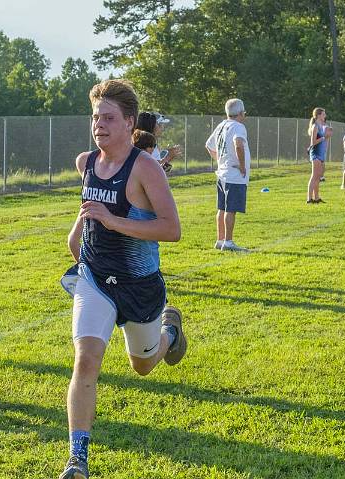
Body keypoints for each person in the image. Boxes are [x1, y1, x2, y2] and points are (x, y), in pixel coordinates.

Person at [58, 80, 186, 479]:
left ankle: (170, 333)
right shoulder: (86, 163)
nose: (99, 124)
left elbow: (171, 229)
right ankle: (77, 459)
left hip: (140, 286)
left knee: (143, 365)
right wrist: (77, 237)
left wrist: (114, 220)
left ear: (130, 123)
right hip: (95, 279)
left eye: (109, 117)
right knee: (86, 359)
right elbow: (88, 213)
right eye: (95, 117)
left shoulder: (145, 167)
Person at [205, 98, 251, 252]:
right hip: (234, 174)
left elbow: (209, 145)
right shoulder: (238, 126)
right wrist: (242, 165)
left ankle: (220, 239)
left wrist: (220, 160)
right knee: (230, 209)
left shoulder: (221, 125)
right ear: (240, 112)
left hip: (223, 173)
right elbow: (238, 144)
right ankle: (229, 242)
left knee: (222, 208)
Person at [306, 107, 332, 203]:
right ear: (318, 115)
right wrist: (324, 137)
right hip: (315, 153)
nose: (325, 115)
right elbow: (313, 142)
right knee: (314, 176)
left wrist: (327, 136)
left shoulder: (321, 126)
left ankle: (316, 198)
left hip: (320, 154)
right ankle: (309, 199)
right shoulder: (315, 126)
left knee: (318, 177)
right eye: (323, 114)